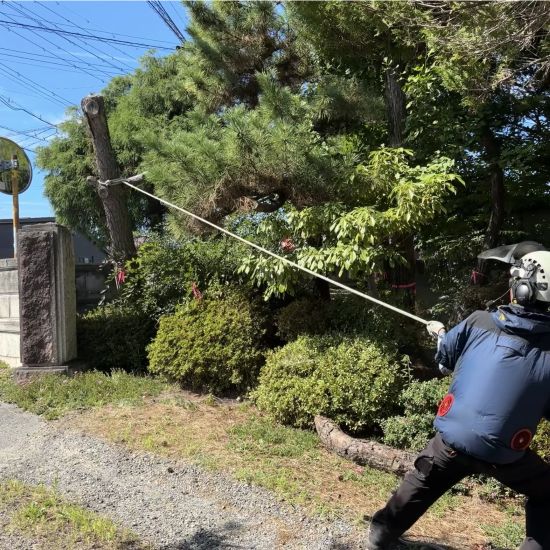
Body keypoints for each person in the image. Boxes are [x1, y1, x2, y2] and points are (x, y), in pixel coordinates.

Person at [368, 245, 550, 550]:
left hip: (451, 440)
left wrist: (441, 333)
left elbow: (445, 361)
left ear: (518, 288)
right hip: (504, 453)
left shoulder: (479, 321)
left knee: (423, 479)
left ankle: (380, 537)